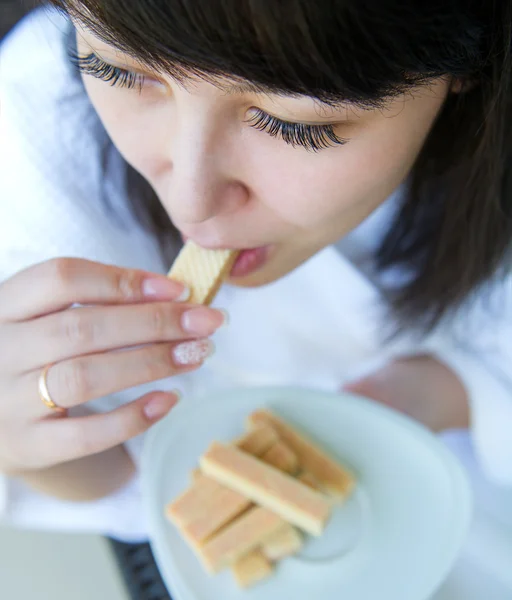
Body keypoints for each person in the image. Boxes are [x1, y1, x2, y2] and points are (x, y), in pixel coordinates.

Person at [0, 1, 511, 594]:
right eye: (122, 73)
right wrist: (33, 446)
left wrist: (444, 390)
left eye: (294, 126)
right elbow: (125, 486)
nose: (193, 203)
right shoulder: (31, 137)